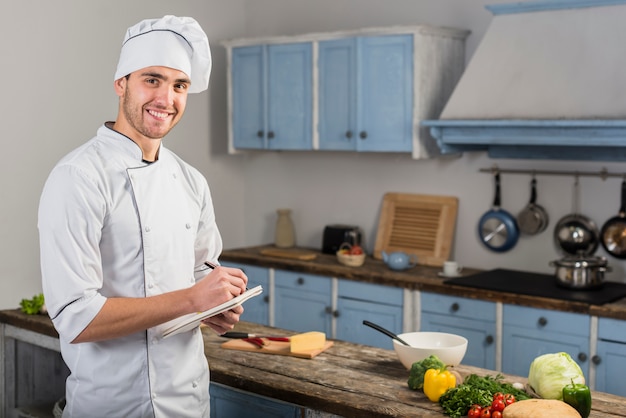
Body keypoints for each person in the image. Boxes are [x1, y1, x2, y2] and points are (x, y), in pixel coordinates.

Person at [38, 15, 248, 417]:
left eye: (179, 85)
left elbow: (200, 271)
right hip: (111, 406)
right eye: (152, 80)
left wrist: (216, 304)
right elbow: (76, 318)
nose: (166, 99)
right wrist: (191, 299)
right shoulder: (78, 177)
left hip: (188, 403)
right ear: (122, 84)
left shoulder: (191, 181)